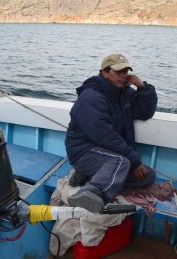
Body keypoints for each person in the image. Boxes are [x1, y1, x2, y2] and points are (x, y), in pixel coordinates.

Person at [65, 53, 158, 213]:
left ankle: (89, 177)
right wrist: (134, 160)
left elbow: (145, 112)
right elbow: (104, 136)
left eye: (126, 71)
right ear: (105, 72)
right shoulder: (92, 97)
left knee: (148, 176)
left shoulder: (124, 94)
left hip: (110, 153)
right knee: (122, 163)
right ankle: (90, 192)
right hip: (84, 151)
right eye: (119, 72)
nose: (124, 76)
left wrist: (142, 86)